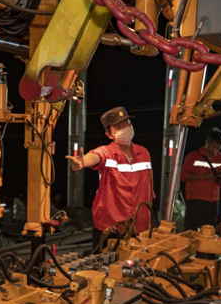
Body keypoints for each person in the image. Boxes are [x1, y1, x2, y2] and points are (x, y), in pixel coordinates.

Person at [66, 106, 155, 250]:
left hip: (140, 228)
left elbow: (149, 189)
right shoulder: (107, 152)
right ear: (109, 134)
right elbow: (95, 156)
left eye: (127, 124)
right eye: (118, 127)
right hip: (111, 228)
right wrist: (81, 162)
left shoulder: (144, 153)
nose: (125, 128)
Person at [180, 128, 221, 231]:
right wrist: (205, 177)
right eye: (213, 147)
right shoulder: (192, 156)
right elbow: (184, 176)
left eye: (218, 148)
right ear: (206, 142)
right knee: (190, 231)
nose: (215, 150)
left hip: (212, 201)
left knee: (209, 232)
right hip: (194, 200)